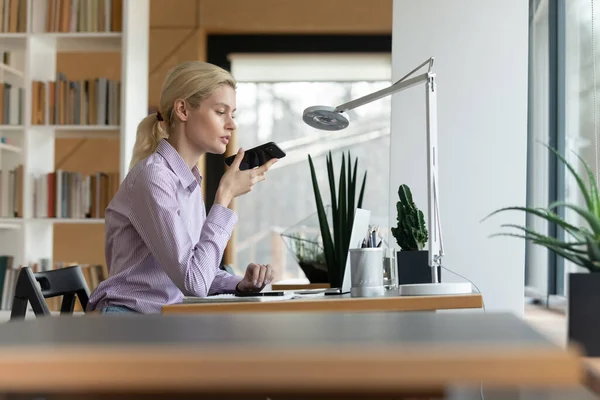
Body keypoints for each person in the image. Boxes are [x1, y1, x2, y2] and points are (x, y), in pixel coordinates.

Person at [86, 61, 278, 314]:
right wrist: (225, 196)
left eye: (233, 114)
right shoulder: (154, 177)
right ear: (183, 110)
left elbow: (196, 270)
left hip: (161, 321)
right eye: (221, 112)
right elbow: (194, 283)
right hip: (129, 324)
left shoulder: (186, 180)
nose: (231, 124)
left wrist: (240, 284)